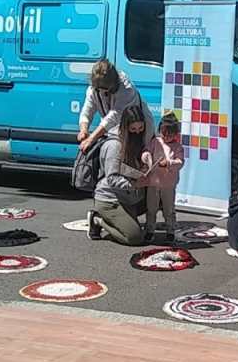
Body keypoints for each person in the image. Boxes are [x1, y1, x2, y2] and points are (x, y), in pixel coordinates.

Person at [87, 104, 149, 245]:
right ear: (125, 128)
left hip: (127, 196)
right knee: (134, 237)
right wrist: (134, 184)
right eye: (133, 129)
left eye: (140, 129)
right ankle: (98, 219)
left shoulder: (134, 141)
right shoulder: (115, 146)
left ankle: (125, 220)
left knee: (160, 196)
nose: (137, 133)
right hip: (110, 199)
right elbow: (112, 178)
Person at [77, 61, 153, 153]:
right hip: (114, 132)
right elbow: (87, 111)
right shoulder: (94, 88)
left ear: (113, 83)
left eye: (105, 89)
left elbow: (113, 117)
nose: (101, 92)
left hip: (137, 131)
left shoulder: (126, 89)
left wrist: (91, 139)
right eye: (98, 89)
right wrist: (83, 130)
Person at [142, 113, 185, 244]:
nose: (165, 137)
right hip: (153, 182)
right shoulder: (156, 141)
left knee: (169, 209)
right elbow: (146, 151)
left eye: (169, 135)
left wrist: (168, 163)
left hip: (168, 184)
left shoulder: (178, 147)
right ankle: (150, 230)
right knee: (151, 208)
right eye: (163, 133)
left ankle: (170, 230)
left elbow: (180, 162)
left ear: (175, 134)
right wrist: (146, 156)